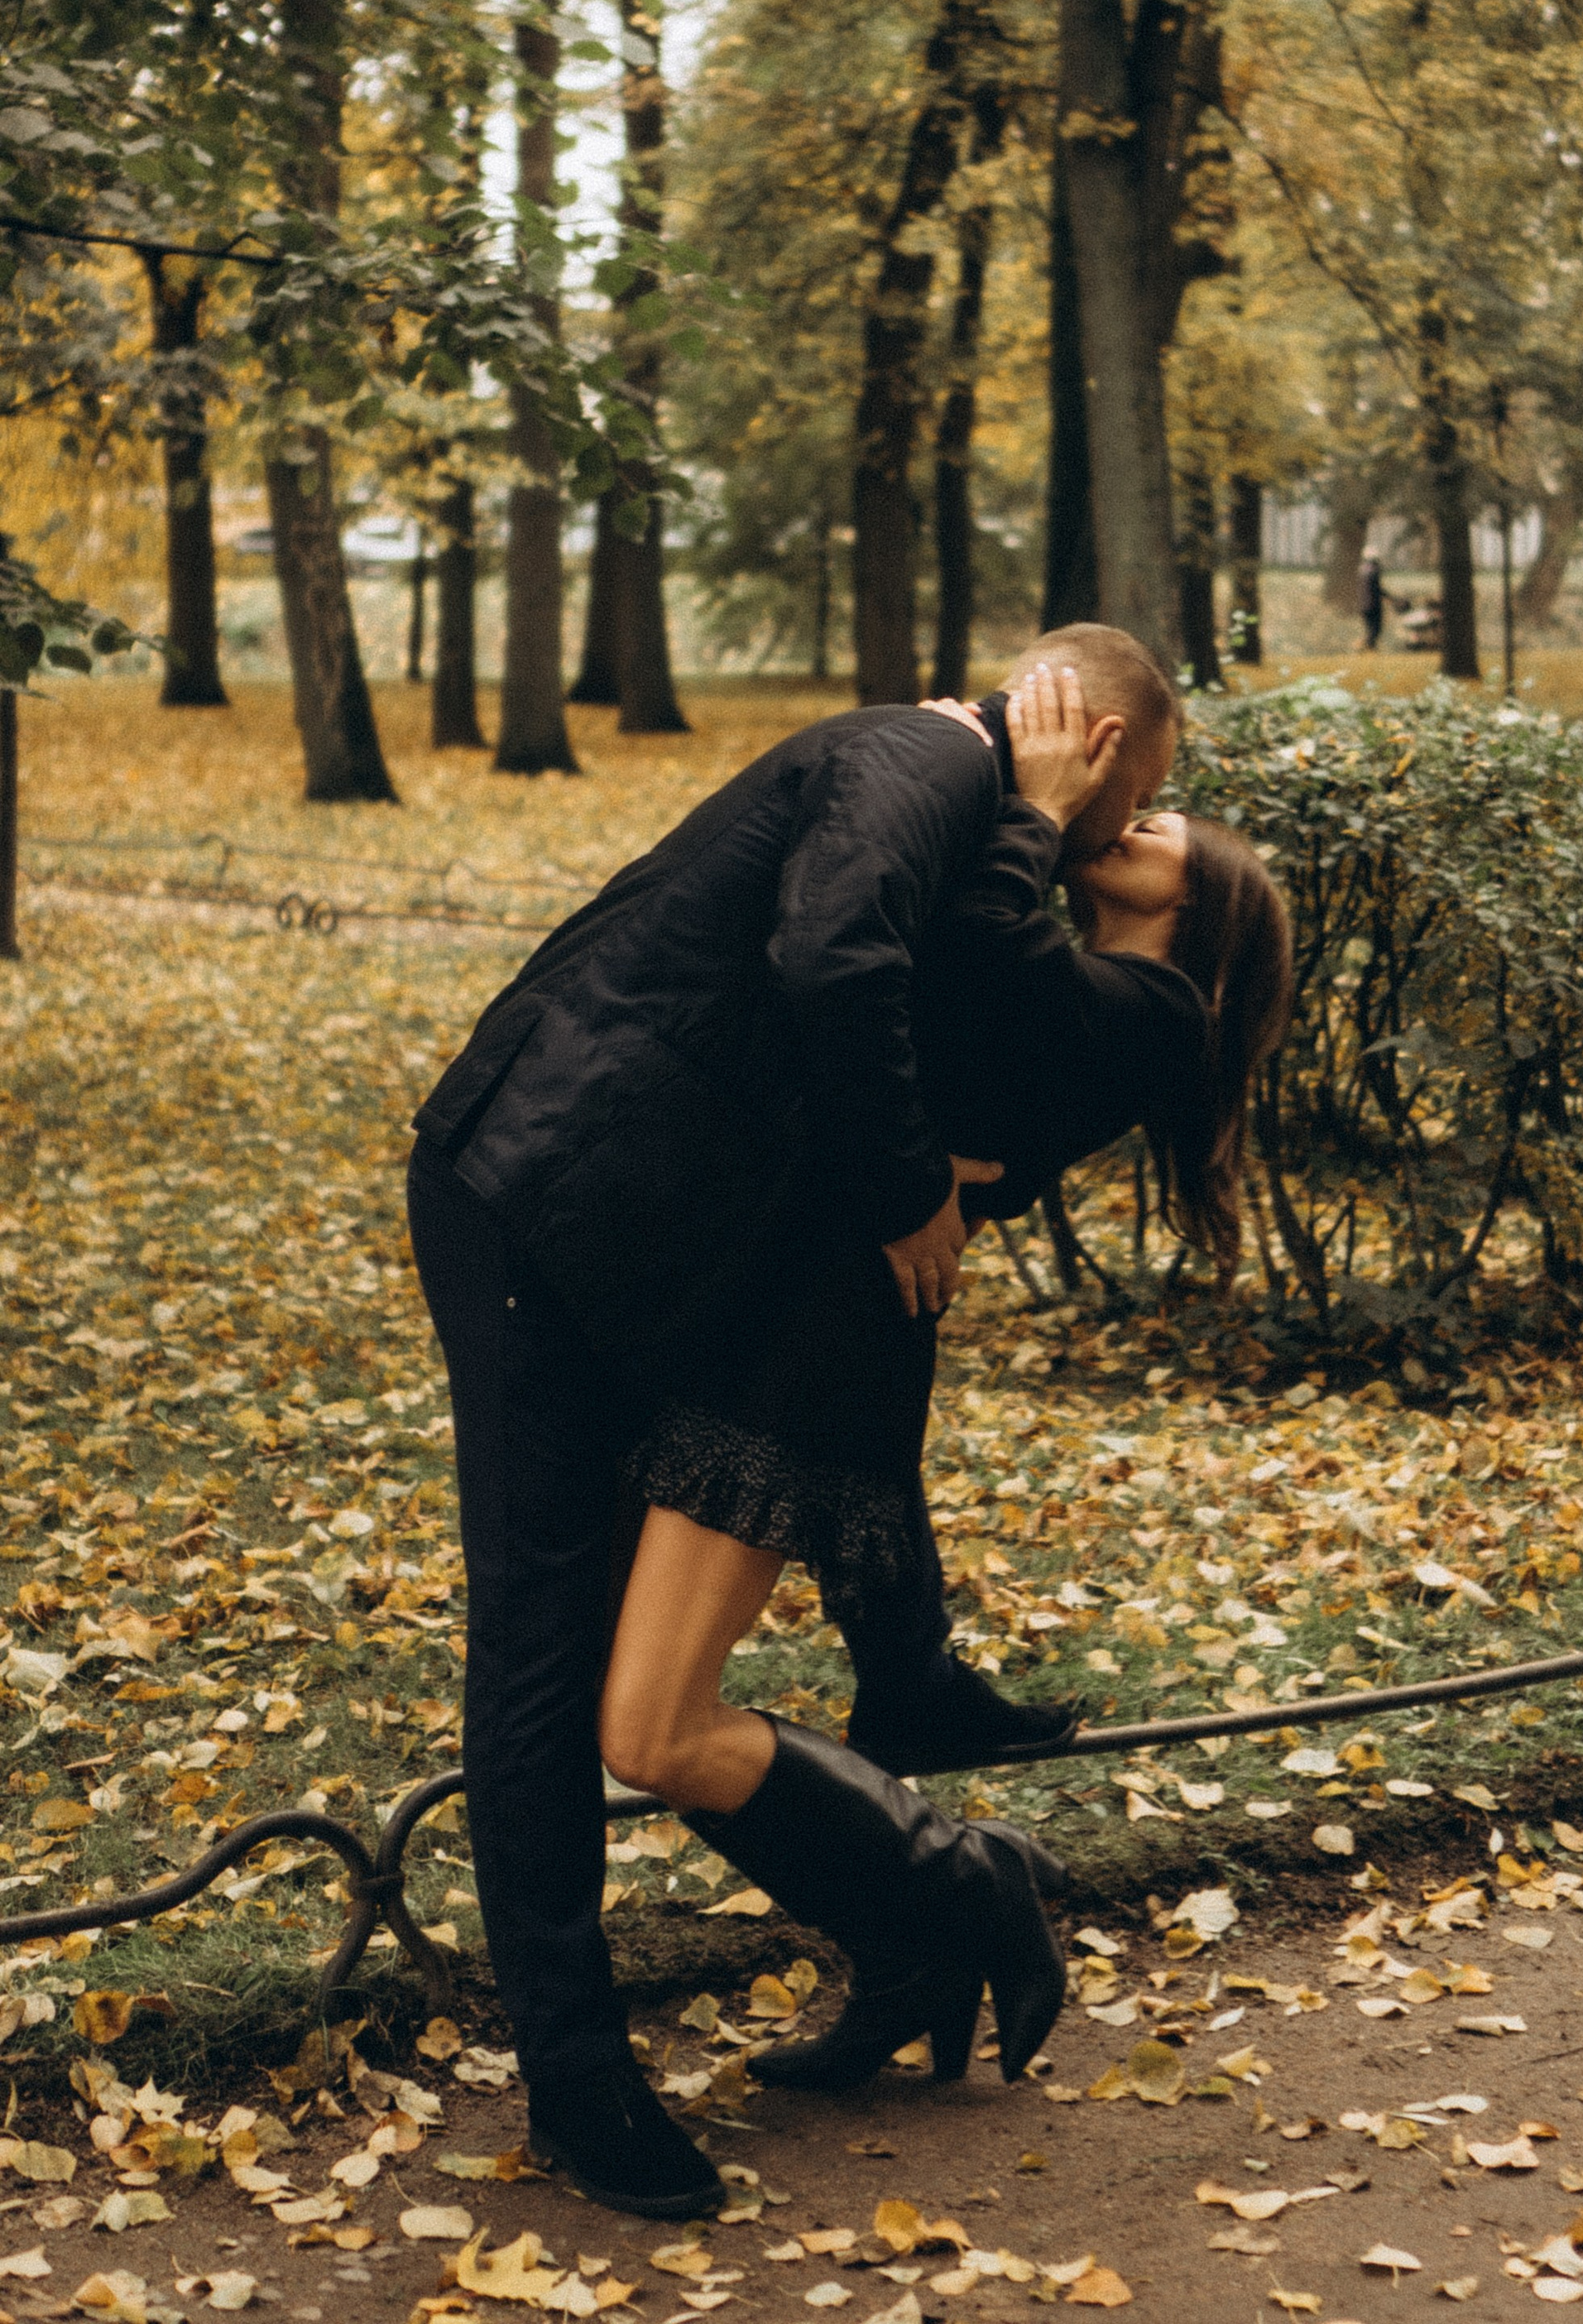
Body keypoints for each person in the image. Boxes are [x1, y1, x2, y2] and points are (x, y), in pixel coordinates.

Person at [405, 625, 1178, 2220]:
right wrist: (911, 1191)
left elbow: (973, 1057)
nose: (1138, 826)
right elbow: (834, 957)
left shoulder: (979, 822)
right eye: (1146, 791)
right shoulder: (926, 761)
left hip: (651, 1253)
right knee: (543, 1660)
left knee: (619, 1683)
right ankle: (577, 2082)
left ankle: (915, 1917)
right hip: (547, 1205)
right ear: (1099, 742)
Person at [598, 665, 1293, 2099]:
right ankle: (908, 1935)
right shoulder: (1095, 983)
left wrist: (1028, 810)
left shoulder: (1154, 1007)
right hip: (794, 1311)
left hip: (817, 1352)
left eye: (1166, 828)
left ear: (1201, 910)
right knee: (646, 1717)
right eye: (1142, 799)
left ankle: (954, 1885)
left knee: (653, 1728)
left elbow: (979, 954)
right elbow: (948, 1013)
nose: (1144, 818)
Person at [1357, 547, 1387, 650]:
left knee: (1370, 629)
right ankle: (1364, 646)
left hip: (1362, 605)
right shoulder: (1374, 571)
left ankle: (1369, 648)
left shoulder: (1362, 570)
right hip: (1373, 605)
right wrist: (1391, 597)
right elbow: (1377, 589)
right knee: (1375, 630)